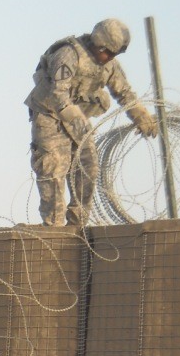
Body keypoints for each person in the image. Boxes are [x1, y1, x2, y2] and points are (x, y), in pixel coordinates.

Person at [25, 18, 159, 227]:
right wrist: (77, 120)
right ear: (99, 45)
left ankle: (77, 227)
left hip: (78, 120)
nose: (110, 58)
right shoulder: (69, 54)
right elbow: (58, 95)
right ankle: (54, 230)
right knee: (53, 171)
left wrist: (141, 116)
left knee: (88, 169)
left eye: (114, 55)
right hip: (50, 116)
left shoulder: (109, 65)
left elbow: (124, 92)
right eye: (109, 53)